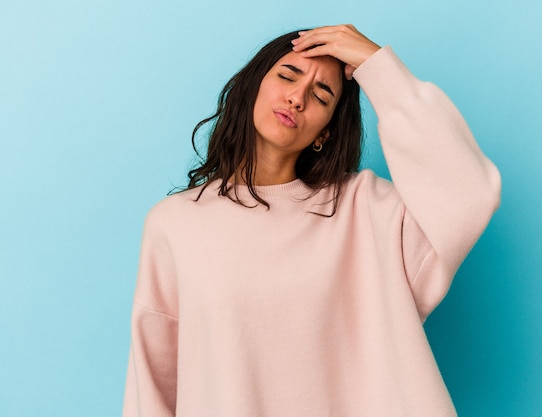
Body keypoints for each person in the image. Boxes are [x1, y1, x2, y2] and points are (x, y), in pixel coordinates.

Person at [122, 24, 501, 417]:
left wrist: (378, 67)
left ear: (326, 131)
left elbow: (470, 195)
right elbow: (152, 386)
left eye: (322, 96)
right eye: (287, 75)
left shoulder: (366, 210)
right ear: (252, 86)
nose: (297, 97)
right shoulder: (176, 225)